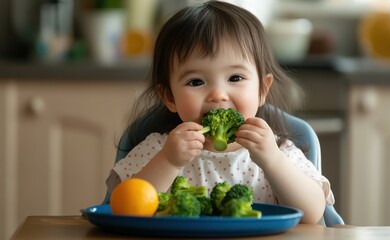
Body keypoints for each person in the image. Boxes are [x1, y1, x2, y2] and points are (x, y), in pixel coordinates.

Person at [106, 0, 334, 223]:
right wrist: (168, 161)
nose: (218, 94)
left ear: (262, 89)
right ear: (169, 97)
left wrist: (273, 160)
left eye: (235, 78)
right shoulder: (158, 149)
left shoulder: (279, 150)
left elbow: (313, 214)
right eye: (195, 82)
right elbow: (123, 210)